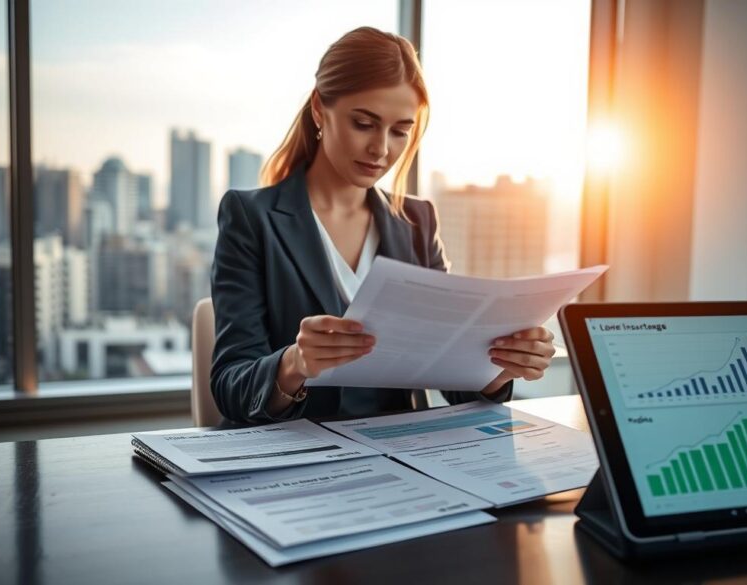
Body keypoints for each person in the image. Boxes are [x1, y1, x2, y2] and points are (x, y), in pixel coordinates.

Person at [210, 27, 556, 423]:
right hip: (293, 458)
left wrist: (501, 366)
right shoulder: (251, 217)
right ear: (320, 109)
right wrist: (295, 363)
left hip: (397, 456)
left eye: (400, 131)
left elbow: (453, 376)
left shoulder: (417, 222)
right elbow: (230, 384)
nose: (382, 149)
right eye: (363, 123)